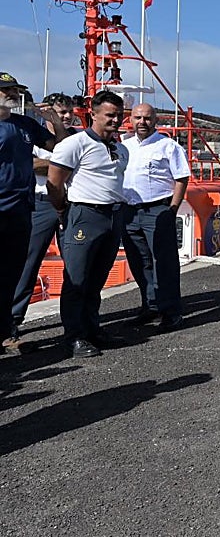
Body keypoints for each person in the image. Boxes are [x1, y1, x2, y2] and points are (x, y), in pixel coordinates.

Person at [47, 90, 129, 358]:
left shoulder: (120, 148)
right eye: (109, 115)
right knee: (77, 279)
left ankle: (93, 329)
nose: (115, 120)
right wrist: (62, 209)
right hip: (85, 214)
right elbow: (55, 182)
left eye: (119, 115)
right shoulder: (75, 144)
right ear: (93, 114)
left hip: (113, 215)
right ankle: (74, 337)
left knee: (97, 279)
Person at [0, 73, 66, 353]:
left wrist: (56, 120)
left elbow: (60, 147)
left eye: (16, 89)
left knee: (12, 272)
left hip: (21, 208)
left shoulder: (25, 124)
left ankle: (6, 332)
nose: (13, 93)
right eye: (7, 89)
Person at [121, 103, 191, 331]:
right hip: (129, 211)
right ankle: (150, 306)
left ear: (156, 120)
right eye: (137, 118)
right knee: (139, 261)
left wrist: (172, 209)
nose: (142, 122)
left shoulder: (168, 147)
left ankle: (172, 312)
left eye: (147, 118)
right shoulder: (123, 146)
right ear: (130, 119)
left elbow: (181, 178)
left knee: (165, 263)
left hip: (157, 210)